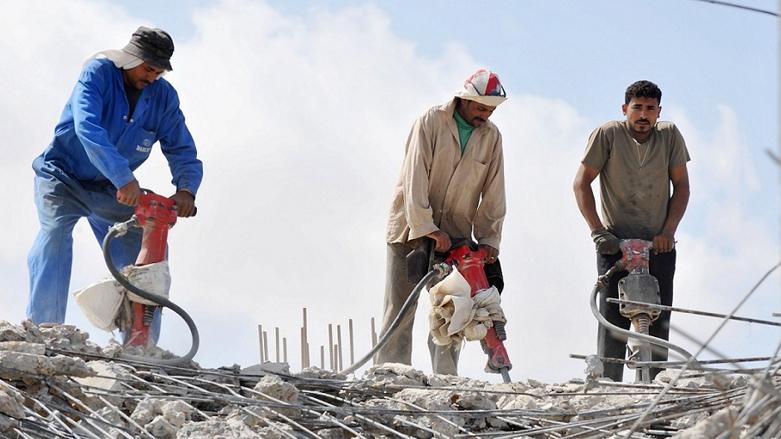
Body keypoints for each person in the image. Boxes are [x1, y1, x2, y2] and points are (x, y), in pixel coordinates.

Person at [27, 26, 203, 342]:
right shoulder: (98, 74)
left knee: (143, 253)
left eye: (159, 72)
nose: (152, 77)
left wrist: (186, 189)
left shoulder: (163, 97)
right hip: (62, 177)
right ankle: (45, 332)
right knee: (54, 235)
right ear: (130, 59)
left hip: (111, 191)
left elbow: (180, 146)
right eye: (147, 68)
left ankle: (140, 345)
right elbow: (88, 127)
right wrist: (123, 177)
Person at [377, 68, 507, 375]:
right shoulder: (431, 122)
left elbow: (494, 192)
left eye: (491, 110)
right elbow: (415, 177)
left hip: (456, 237)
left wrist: (489, 240)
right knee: (401, 308)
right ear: (465, 100)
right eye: (481, 108)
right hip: (410, 230)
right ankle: (391, 376)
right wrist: (428, 228)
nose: (485, 115)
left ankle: (446, 380)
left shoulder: (491, 137)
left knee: (453, 310)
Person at [573, 80, 690, 381]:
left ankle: (655, 387)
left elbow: (682, 186)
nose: (643, 115)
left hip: (658, 246)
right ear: (625, 108)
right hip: (616, 245)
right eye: (637, 107)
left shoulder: (669, 136)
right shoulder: (608, 134)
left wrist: (668, 231)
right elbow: (581, 183)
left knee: (658, 320)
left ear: (659, 112)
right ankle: (611, 387)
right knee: (613, 320)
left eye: (650, 108)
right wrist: (598, 232)